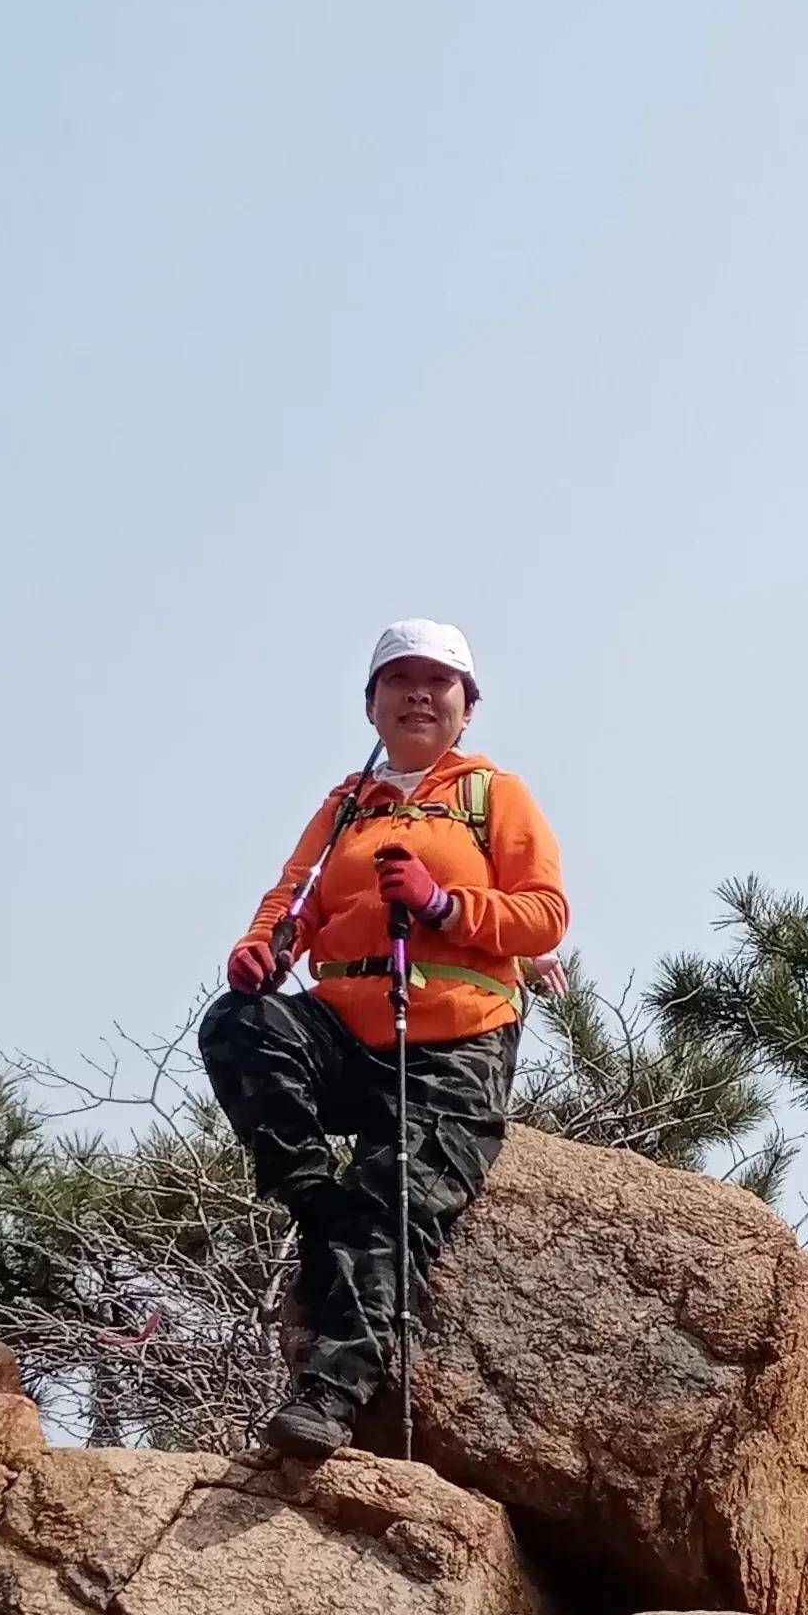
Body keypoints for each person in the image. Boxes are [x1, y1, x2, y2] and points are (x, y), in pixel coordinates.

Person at [200, 620, 569, 1460]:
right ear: (370, 705)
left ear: (466, 707)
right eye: (398, 680)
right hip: (346, 1031)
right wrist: (266, 949)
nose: (417, 695)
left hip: (456, 1042)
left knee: (395, 1195)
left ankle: (329, 1395)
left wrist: (445, 906)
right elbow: (292, 900)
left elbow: (546, 911)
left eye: (438, 682)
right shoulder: (344, 808)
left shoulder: (491, 796)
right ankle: (312, 1199)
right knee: (239, 1025)